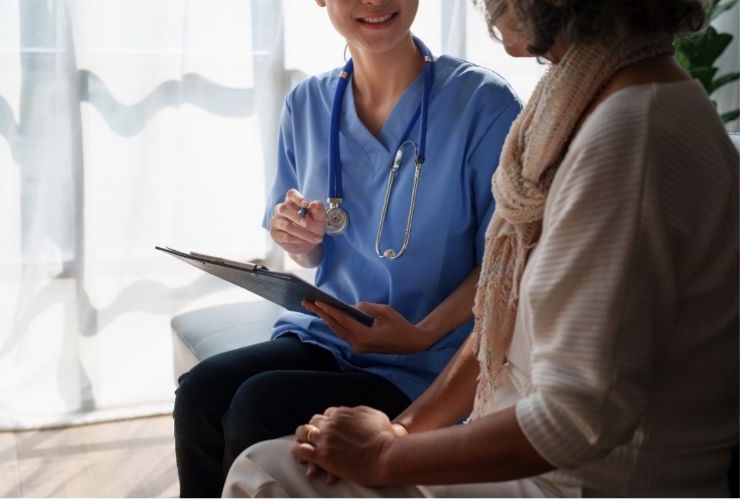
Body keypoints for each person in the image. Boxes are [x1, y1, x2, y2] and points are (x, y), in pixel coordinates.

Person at [222, 0, 740, 497]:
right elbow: (503, 322)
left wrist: (382, 456)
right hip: (546, 459)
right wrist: (400, 433)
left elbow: (574, 420)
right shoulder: (596, 106)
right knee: (238, 421)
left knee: (264, 475)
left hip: (580, 485)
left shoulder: (626, 138)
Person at [173, 0, 521, 496]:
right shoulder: (306, 104)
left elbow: (507, 264)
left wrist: (421, 334)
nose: (375, 3)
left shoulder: (483, 105)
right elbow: (311, 254)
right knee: (201, 394)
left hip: (433, 360)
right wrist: (298, 237)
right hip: (332, 338)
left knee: (257, 405)